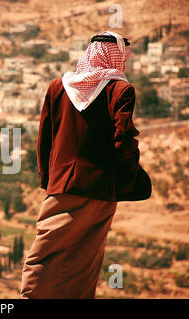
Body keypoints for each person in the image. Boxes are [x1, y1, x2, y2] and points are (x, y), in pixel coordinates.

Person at [20, 31, 152, 299]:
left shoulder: (58, 87)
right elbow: (124, 141)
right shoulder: (120, 90)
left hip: (60, 189)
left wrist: (48, 182)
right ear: (115, 56)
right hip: (100, 191)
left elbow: (44, 139)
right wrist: (125, 184)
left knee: (45, 253)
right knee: (84, 259)